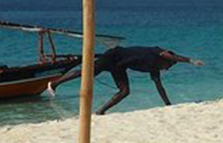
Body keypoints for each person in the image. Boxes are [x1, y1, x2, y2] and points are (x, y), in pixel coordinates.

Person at [50, 45, 203, 115]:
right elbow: (170, 55)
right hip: (113, 56)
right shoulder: (156, 51)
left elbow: (159, 87)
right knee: (88, 74)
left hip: (119, 66)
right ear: (166, 58)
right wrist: (190, 60)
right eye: (169, 65)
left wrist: (168, 105)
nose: (167, 68)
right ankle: (54, 84)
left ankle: (100, 112)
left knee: (124, 91)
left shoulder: (154, 68)